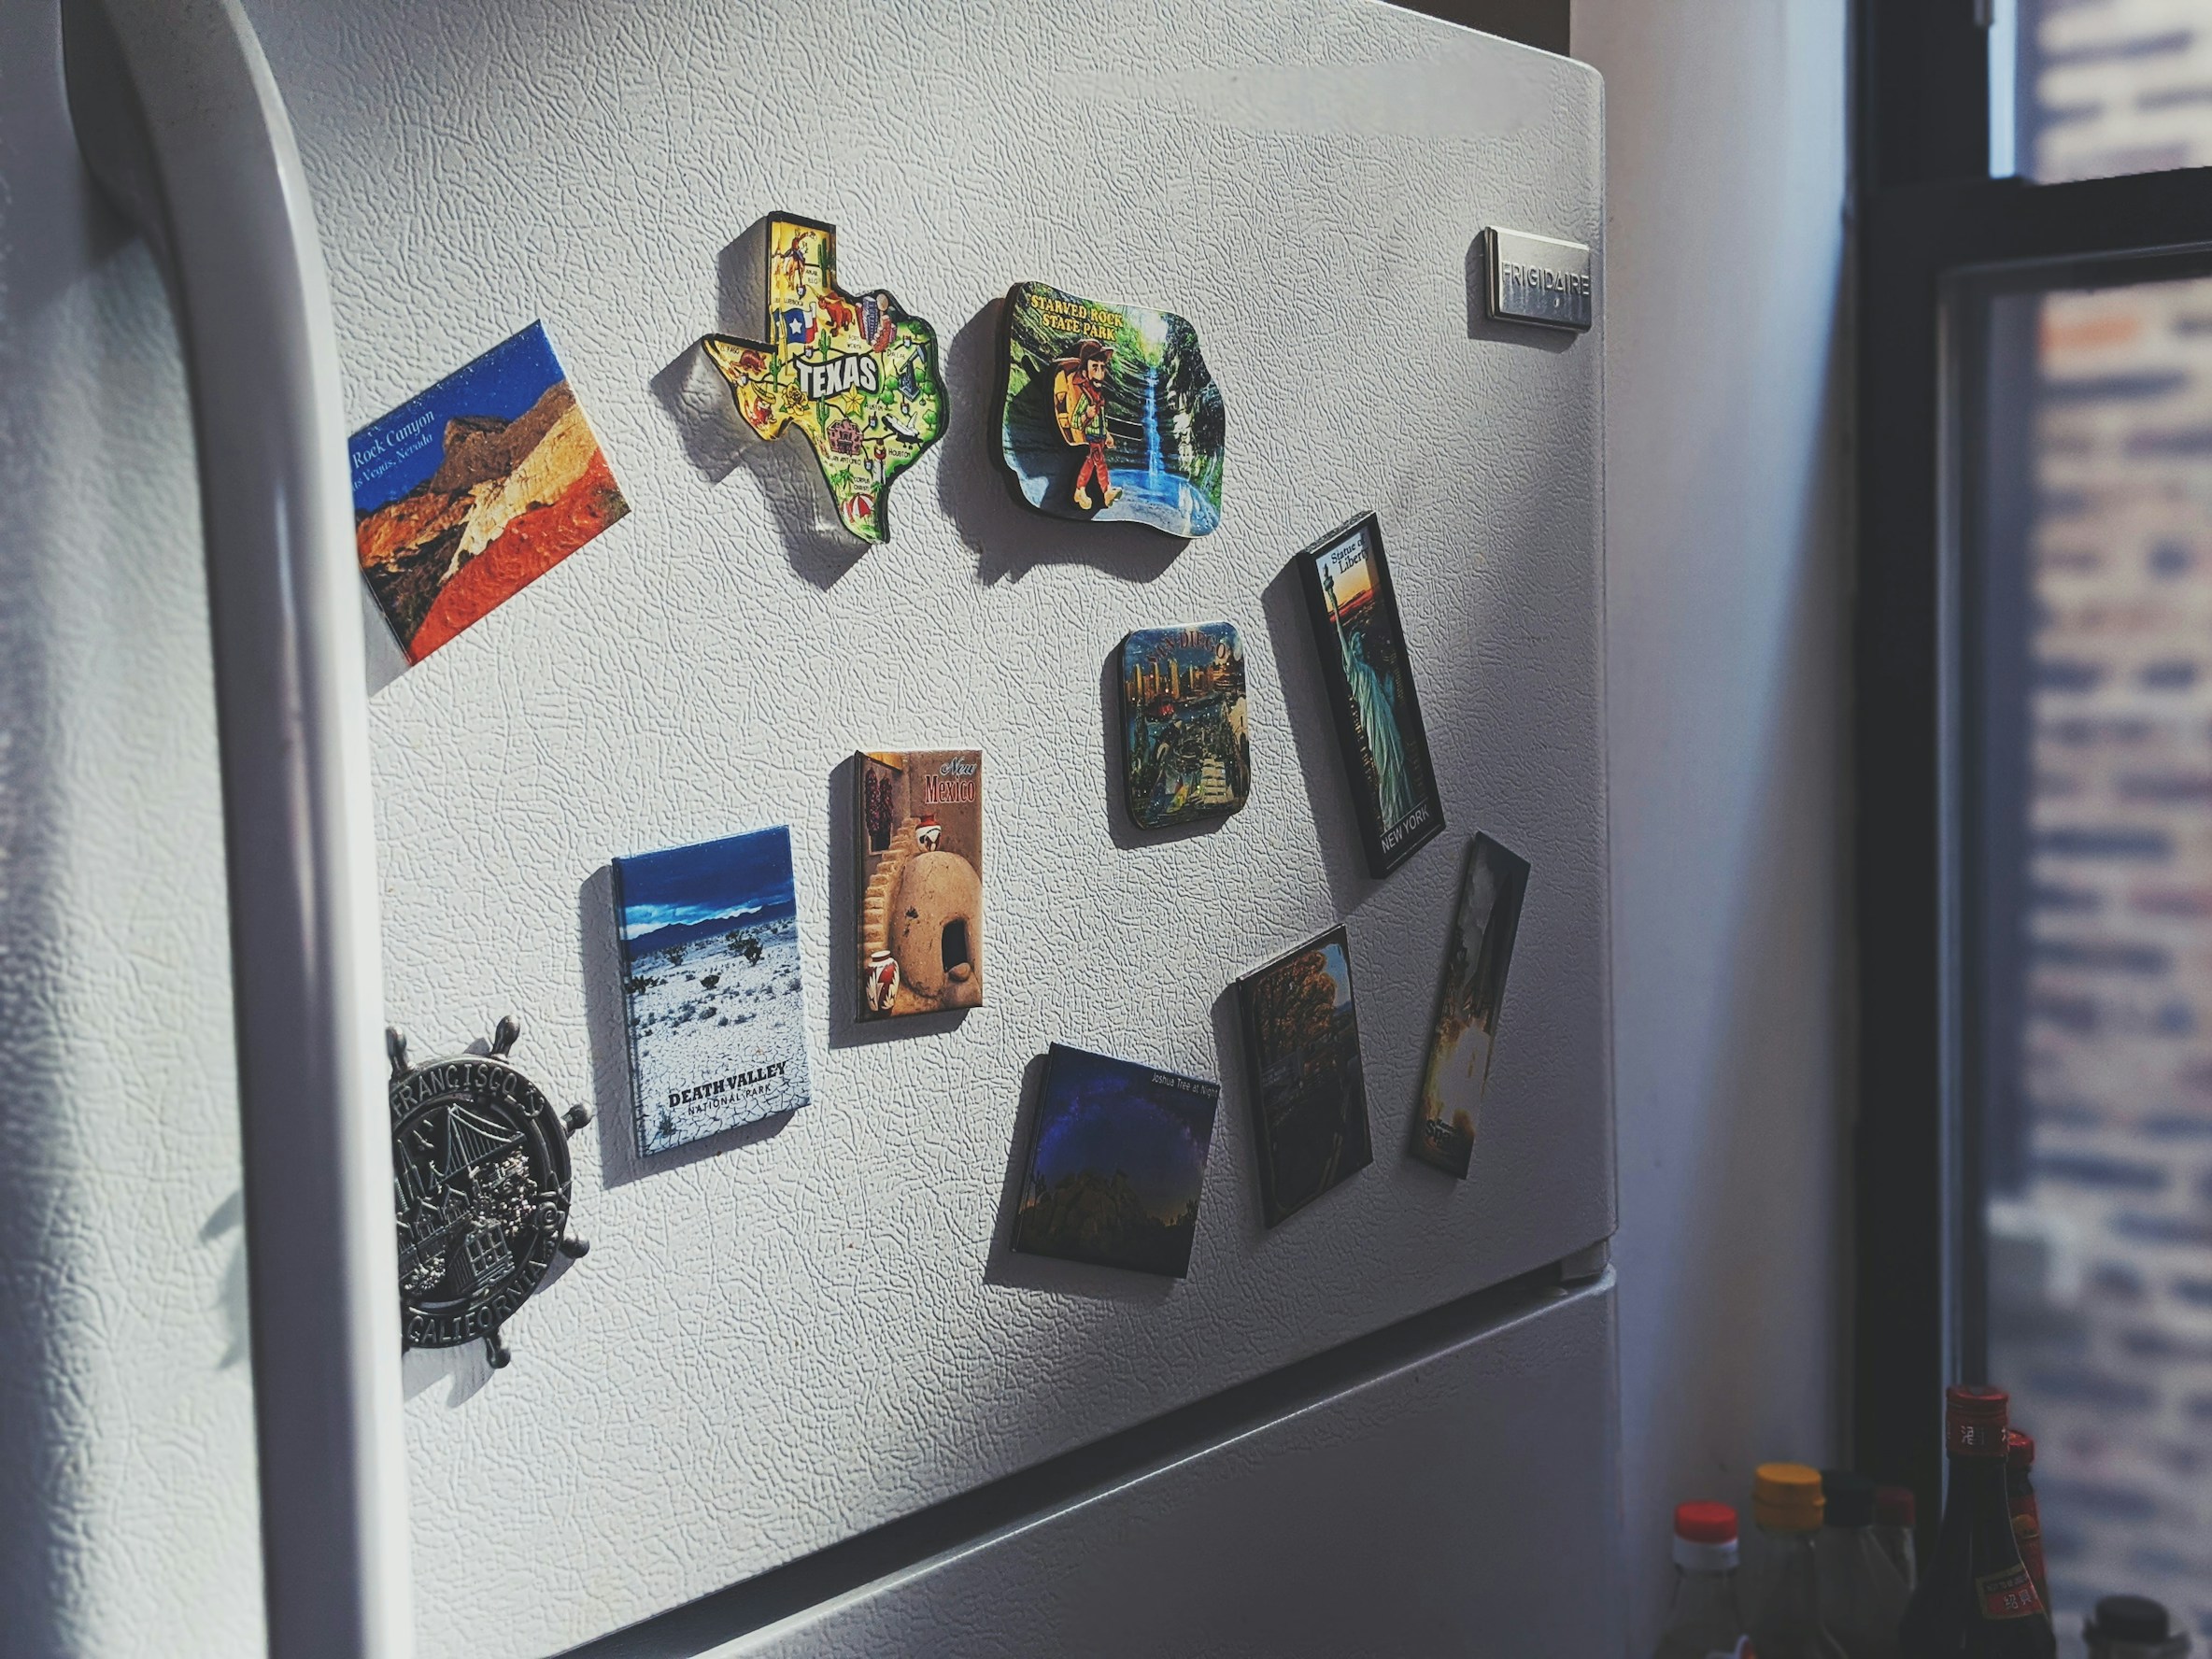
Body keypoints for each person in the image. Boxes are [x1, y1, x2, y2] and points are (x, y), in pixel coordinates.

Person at [1052, 336, 1120, 510]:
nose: (1100, 373)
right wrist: (1086, 416)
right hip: (1089, 436)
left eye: (1102, 368)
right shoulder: (1086, 396)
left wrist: (1107, 434)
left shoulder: (1098, 396)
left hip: (1099, 436)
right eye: (1094, 367)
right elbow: (1075, 421)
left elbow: (1102, 418)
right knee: (1098, 462)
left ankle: (1083, 490)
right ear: (1084, 371)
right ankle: (1102, 491)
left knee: (1092, 462)